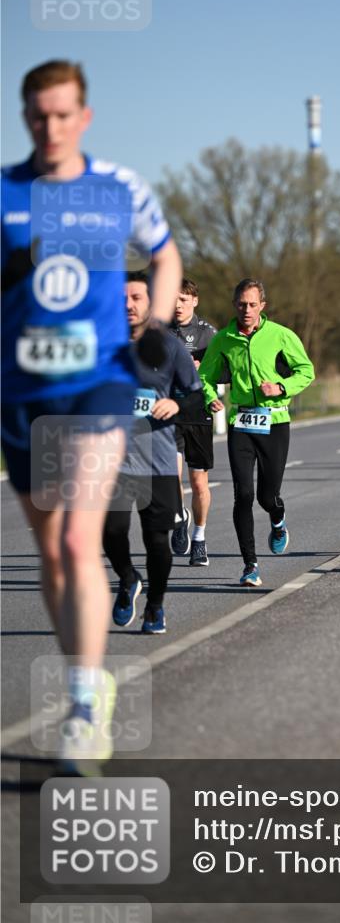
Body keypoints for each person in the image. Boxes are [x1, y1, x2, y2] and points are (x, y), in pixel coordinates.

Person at [1, 60, 181, 772]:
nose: (51, 127)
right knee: (52, 551)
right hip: (23, 391)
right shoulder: (6, 191)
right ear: (25, 117)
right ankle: (83, 676)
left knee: (79, 540)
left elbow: (164, 257)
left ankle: (83, 704)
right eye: (38, 116)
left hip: (100, 383)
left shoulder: (117, 188)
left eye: (63, 114)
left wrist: (159, 323)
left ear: (85, 116)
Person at [103, 273, 203, 634]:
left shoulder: (168, 346)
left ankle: (155, 606)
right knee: (111, 532)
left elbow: (195, 395)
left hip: (157, 462)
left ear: (150, 302)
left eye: (136, 297)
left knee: (156, 539)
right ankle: (128, 578)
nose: (128, 305)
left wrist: (176, 405)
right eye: (122, 299)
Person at [198, 278, 315, 586]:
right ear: (234, 305)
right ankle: (250, 565)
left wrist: (281, 387)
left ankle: (278, 520)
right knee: (243, 494)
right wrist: (210, 398)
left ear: (262, 305)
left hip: (275, 422)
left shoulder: (281, 336)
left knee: (267, 495)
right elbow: (204, 376)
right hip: (242, 424)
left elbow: (306, 371)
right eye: (241, 304)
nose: (246, 310)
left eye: (252, 304)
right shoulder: (223, 340)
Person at [168, 278, 219, 565]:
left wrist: (204, 368)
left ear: (194, 301)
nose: (177, 305)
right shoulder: (160, 330)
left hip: (198, 414)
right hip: (169, 414)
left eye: (183, 300)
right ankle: (179, 518)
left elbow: (223, 371)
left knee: (198, 483)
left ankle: (199, 537)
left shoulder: (208, 334)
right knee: (170, 477)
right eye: (173, 300)